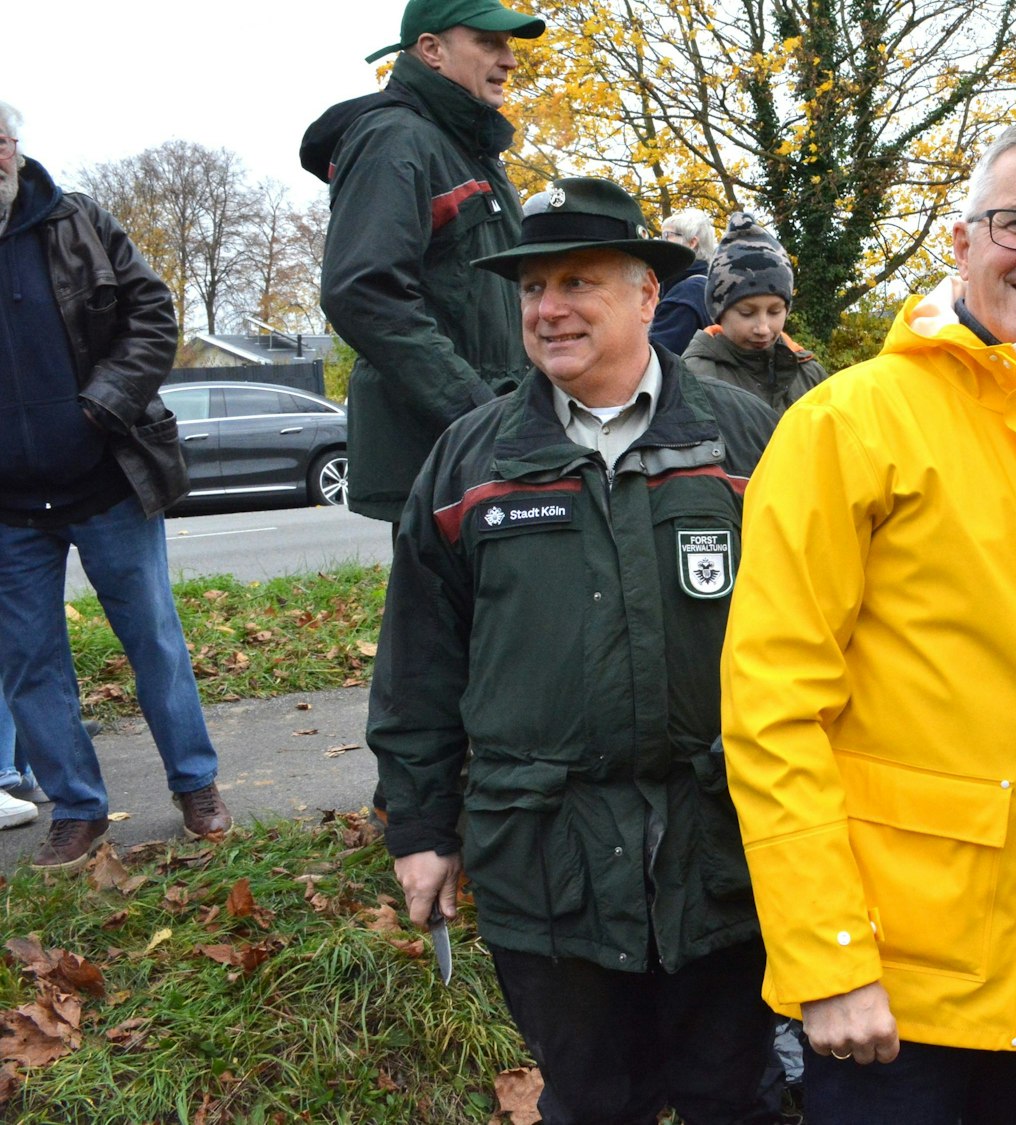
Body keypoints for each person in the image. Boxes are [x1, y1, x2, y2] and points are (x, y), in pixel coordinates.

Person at [720, 120, 1016, 1124]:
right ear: (961, 240)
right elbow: (771, 712)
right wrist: (827, 954)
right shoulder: (847, 427)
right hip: (894, 988)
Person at [369, 177, 783, 1125]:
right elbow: (419, 664)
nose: (549, 309)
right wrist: (422, 828)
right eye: (531, 290)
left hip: (726, 853)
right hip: (544, 861)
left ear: (647, 294)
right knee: (594, 1104)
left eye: (577, 282)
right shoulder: (470, 462)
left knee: (737, 1099)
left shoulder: (752, 444)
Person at [0, 101, 232, 870]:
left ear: (13, 147)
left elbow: (153, 316)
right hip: (8, 508)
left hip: (106, 479)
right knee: (30, 662)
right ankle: (77, 807)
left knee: (153, 640)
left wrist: (101, 405)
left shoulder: (78, 223)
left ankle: (195, 783)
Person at [306, 0, 546, 523]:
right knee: (443, 606)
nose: (509, 59)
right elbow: (363, 292)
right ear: (431, 50)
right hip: (442, 455)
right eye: (489, 43)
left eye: (507, 44)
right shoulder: (395, 140)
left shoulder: (465, 147)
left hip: (487, 445)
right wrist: (477, 414)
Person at [678, 213, 827, 412]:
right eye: (747, 313)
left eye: (775, 311)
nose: (763, 328)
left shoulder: (809, 373)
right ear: (719, 311)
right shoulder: (694, 376)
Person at [648, 208, 718, 355]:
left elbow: (655, 357)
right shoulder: (710, 285)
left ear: (692, 242)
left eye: (668, 235)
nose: (662, 242)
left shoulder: (686, 294)